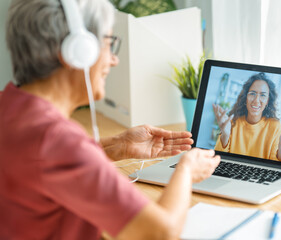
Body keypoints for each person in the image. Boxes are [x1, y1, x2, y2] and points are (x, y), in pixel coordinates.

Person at [0, 0, 220, 239]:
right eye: (108, 44)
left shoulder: (9, 106)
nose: (113, 60)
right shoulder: (57, 140)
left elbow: (44, 165)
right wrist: (186, 171)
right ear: (75, 50)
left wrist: (115, 146)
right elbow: (160, 233)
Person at [213, 72, 281, 161]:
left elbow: (274, 167)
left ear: (268, 101)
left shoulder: (274, 126)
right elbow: (219, 159)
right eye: (252, 93)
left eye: (263, 95)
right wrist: (225, 135)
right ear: (245, 97)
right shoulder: (232, 122)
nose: (256, 100)